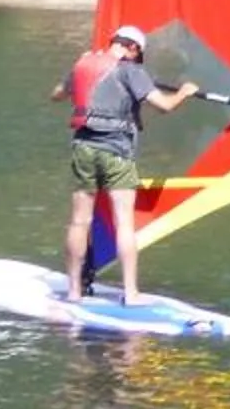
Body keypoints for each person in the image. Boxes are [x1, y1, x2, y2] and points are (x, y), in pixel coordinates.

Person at [61, 23, 200, 305]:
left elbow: (58, 94)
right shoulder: (132, 71)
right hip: (117, 154)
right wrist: (184, 92)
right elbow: (165, 106)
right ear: (133, 48)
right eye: (138, 55)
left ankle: (73, 291)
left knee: (79, 221)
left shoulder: (84, 64)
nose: (138, 61)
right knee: (124, 223)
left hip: (83, 149)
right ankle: (131, 293)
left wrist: (76, 71)